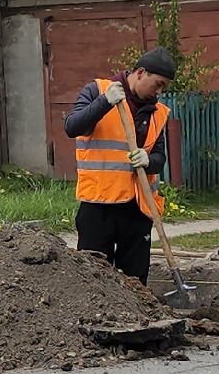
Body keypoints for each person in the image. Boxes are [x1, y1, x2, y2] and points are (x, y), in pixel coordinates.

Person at [64, 48, 174, 282]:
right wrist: (104, 103)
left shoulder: (157, 112)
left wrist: (149, 161)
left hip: (137, 208)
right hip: (98, 204)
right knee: (94, 279)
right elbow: (72, 127)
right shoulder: (98, 91)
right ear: (141, 73)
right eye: (158, 84)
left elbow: (160, 157)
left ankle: (137, 319)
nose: (160, 92)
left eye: (164, 87)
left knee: (135, 281)